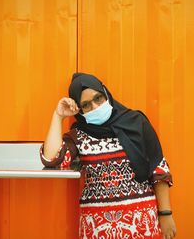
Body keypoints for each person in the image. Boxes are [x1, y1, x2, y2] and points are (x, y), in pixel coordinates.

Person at [40, 73, 177, 238]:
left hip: (142, 224)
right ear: (79, 110)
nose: (95, 107)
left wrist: (165, 213)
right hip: (98, 229)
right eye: (86, 105)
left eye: (98, 98)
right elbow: (52, 159)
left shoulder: (136, 122)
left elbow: (158, 168)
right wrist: (58, 116)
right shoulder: (78, 136)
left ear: (106, 93)